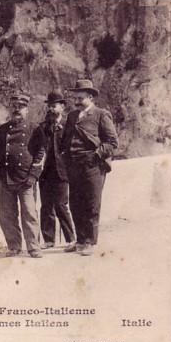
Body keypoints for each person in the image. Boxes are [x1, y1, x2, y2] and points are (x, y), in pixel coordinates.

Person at [60, 80, 118, 256]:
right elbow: (66, 140)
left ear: (90, 96)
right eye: (75, 97)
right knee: (75, 203)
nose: (76, 100)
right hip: (74, 166)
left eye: (80, 97)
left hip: (93, 166)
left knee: (91, 203)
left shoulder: (101, 114)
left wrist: (95, 156)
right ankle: (80, 241)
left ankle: (90, 242)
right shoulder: (71, 116)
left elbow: (112, 142)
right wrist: (65, 156)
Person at [0, 94, 45, 258]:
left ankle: (33, 247)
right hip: (6, 178)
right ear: (9, 109)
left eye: (20, 107)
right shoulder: (2, 130)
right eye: (13, 106)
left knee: (29, 213)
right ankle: (14, 246)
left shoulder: (34, 128)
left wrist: (33, 176)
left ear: (27, 110)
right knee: (6, 215)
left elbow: (41, 153)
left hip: (26, 179)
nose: (16, 110)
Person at [37, 90, 76, 251]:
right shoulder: (42, 127)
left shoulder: (69, 126)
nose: (51, 109)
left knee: (61, 204)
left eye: (54, 106)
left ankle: (71, 238)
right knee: (46, 206)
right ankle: (49, 240)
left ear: (62, 107)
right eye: (49, 106)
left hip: (63, 172)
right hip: (45, 173)